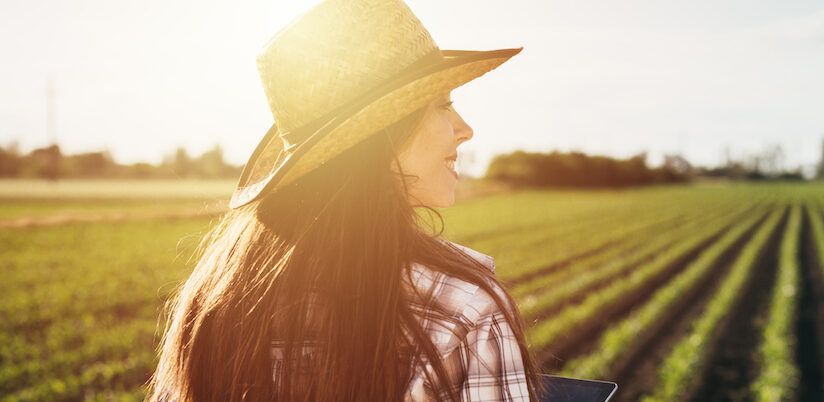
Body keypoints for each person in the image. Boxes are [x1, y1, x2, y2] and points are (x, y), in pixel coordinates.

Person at [146, 0, 544, 400]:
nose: (465, 129)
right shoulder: (463, 309)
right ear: (384, 133)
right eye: (443, 104)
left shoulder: (214, 299)